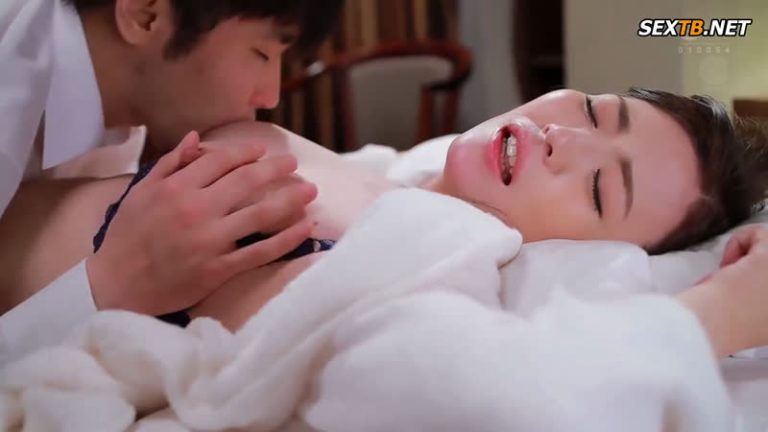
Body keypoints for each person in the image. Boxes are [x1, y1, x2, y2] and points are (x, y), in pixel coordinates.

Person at [3, 88, 768, 359]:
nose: (566, 138)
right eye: (597, 111)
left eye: (601, 188)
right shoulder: (381, 174)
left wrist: (715, 314)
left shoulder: (414, 264)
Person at [0, 0, 343, 363]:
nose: (270, 96)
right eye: (261, 53)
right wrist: (108, 284)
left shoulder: (116, 108)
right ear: (145, 14)